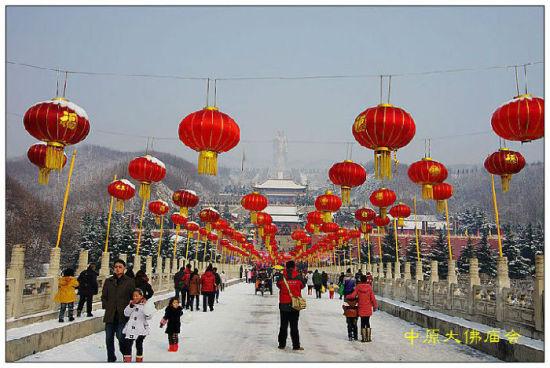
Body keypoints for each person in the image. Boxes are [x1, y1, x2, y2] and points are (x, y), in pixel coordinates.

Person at [101, 259, 135, 362]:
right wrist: (107, 305)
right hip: (110, 314)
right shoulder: (108, 281)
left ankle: (125, 354)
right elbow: (104, 296)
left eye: (120, 266)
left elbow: (133, 297)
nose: (117, 268)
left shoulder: (129, 281)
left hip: (122, 315)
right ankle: (111, 358)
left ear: (124, 268)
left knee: (121, 337)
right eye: (116, 267)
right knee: (108, 339)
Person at [276, 260, 306, 351]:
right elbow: (302, 286)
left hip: (284, 304)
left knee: (283, 325)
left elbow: (279, 285)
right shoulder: (298, 277)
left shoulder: (282, 277)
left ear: (286, 267)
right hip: (295, 304)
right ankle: (296, 345)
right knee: (294, 326)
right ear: (294, 267)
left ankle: (281, 344)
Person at [122, 288, 155, 362]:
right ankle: (127, 360)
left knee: (139, 345)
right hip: (130, 329)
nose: (135, 297)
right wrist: (131, 306)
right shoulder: (131, 304)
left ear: (141, 296)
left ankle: (139, 360)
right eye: (134, 296)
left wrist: (147, 312)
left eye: (137, 296)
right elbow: (126, 313)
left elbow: (149, 316)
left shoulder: (145, 304)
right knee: (128, 344)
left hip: (141, 329)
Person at [347, 274, 378, 342]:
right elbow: (372, 298)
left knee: (362, 322)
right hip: (368, 307)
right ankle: (368, 338)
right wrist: (375, 306)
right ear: (366, 280)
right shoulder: (369, 287)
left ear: (360, 280)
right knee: (367, 321)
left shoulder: (358, 287)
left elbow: (353, 295)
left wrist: (347, 296)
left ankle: (363, 338)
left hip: (361, 307)